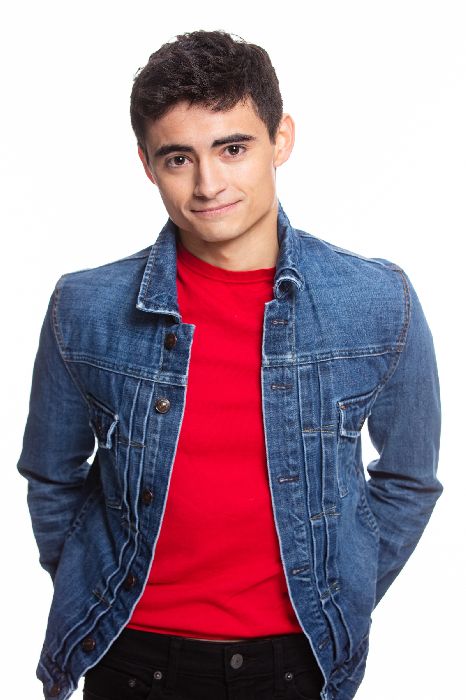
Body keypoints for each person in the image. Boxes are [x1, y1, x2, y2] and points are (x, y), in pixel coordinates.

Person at [17, 29, 442, 700]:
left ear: (281, 139)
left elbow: (409, 480)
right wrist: (92, 580)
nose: (208, 183)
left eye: (233, 148)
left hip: (296, 664)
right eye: (178, 158)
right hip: (130, 659)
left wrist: (342, 588)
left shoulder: (377, 302)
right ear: (147, 164)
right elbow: (51, 473)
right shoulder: (85, 307)